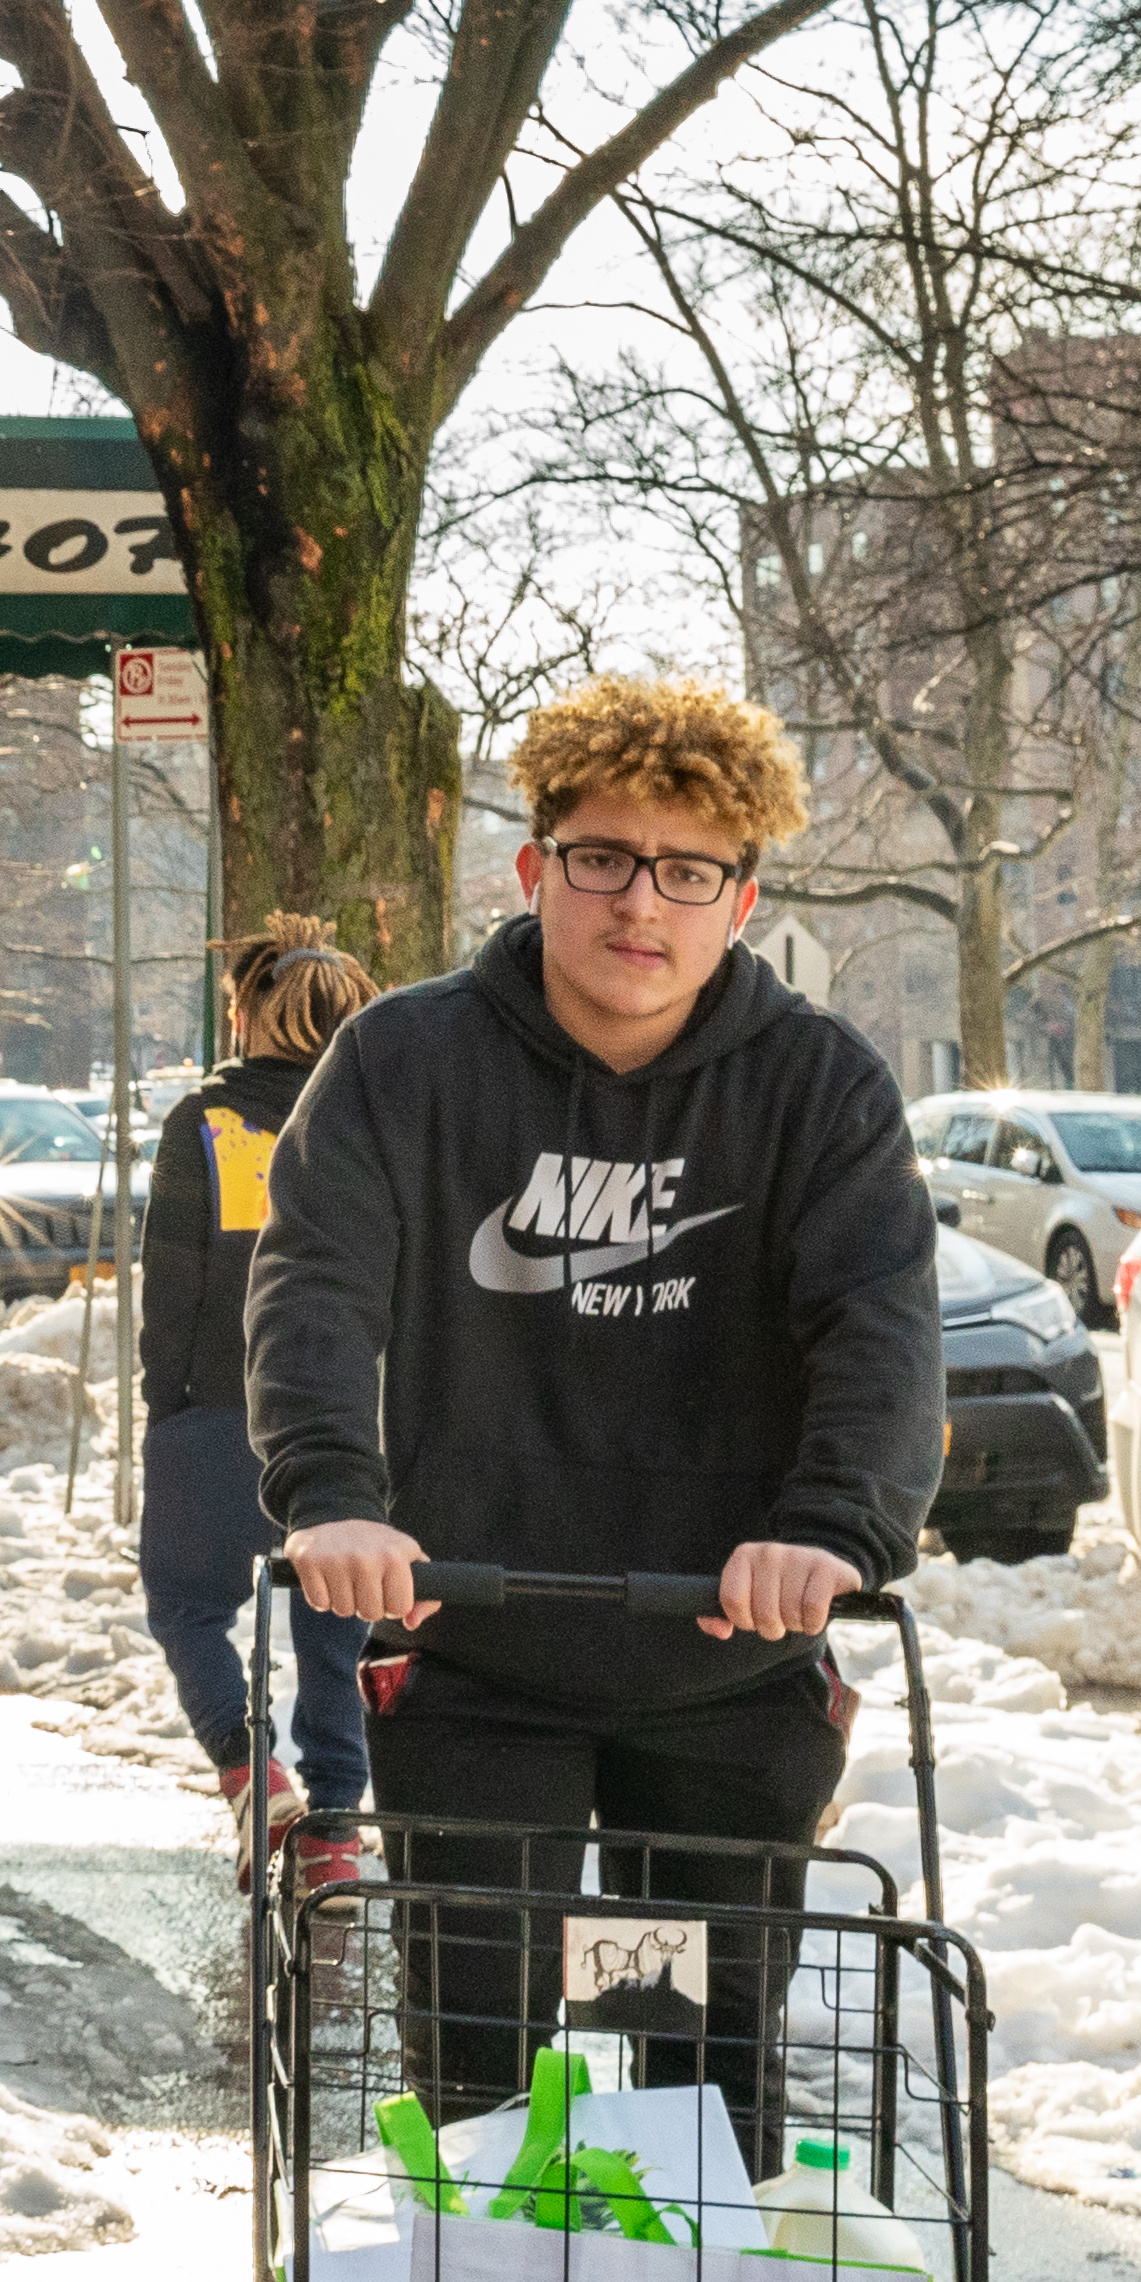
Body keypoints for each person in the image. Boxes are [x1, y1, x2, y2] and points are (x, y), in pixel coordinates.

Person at [247, 678, 941, 2157]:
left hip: (726, 1657)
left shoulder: (816, 1088)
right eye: (603, 858)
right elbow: (314, 1283)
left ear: (739, 899)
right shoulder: (404, 1064)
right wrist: (329, 1494)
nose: (643, 903)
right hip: (477, 1644)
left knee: (701, 2085)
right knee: (481, 2070)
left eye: (688, 872)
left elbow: (875, 1326)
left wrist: (827, 1528)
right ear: (534, 867)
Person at [136, 922, 383, 1849]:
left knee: (188, 1607)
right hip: (357, 1420)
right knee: (339, 1628)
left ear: (248, 1017)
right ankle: (333, 1831)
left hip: (221, 1409)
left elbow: (172, 1279)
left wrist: (168, 1406)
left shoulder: (207, 1122)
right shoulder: (380, 1122)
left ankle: (252, 1772)